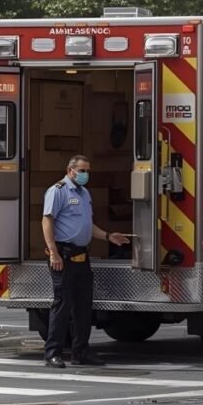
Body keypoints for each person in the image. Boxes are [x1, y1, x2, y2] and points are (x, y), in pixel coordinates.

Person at [42, 155, 128, 369]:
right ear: (71, 170)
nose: (85, 174)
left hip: (82, 256)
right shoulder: (58, 190)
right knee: (62, 305)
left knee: (83, 307)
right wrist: (53, 252)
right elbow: (47, 221)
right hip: (63, 255)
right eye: (82, 170)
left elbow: (88, 225)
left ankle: (81, 352)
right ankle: (53, 353)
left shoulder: (84, 193)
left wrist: (108, 236)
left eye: (87, 170)